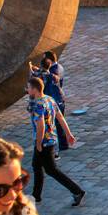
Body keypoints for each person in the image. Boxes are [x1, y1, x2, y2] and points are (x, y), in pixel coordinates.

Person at [25, 77, 85, 207]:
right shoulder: (49, 99)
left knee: (51, 170)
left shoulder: (38, 105)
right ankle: (36, 196)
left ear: (34, 89)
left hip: (43, 142)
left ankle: (77, 191)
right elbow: (60, 118)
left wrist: (39, 143)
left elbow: (40, 125)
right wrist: (69, 134)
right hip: (52, 139)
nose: (27, 89)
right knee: (36, 165)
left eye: (28, 87)